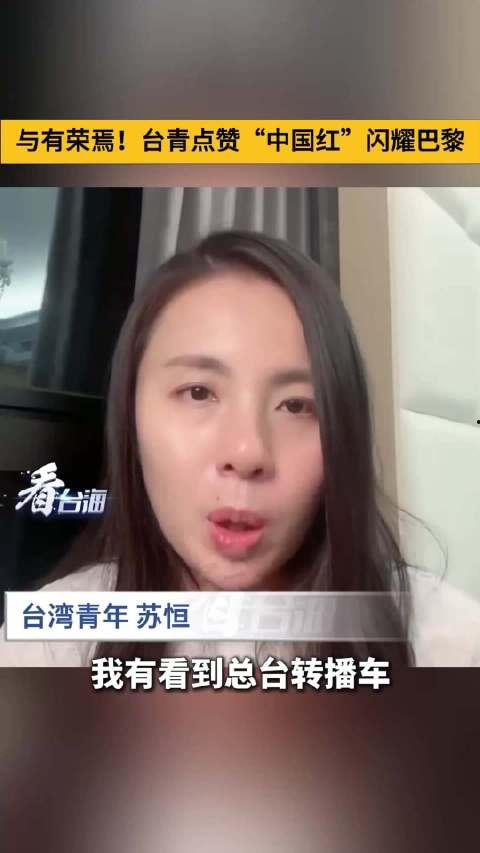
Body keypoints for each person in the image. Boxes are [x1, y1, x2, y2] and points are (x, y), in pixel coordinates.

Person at [1, 230, 479, 667]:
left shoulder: (446, 641)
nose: (248, 452)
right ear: (131, 416)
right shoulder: (49, 642)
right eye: (198, 393)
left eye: (296, 405)